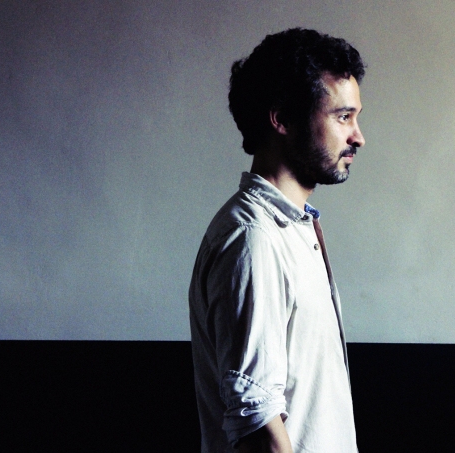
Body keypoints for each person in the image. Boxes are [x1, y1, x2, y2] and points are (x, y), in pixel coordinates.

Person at [189, 28, 366, 453]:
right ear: (282, 119)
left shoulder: (292, 229)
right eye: (343, 117)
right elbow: (257, 423)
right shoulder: (254, 239)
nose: (358, 136)